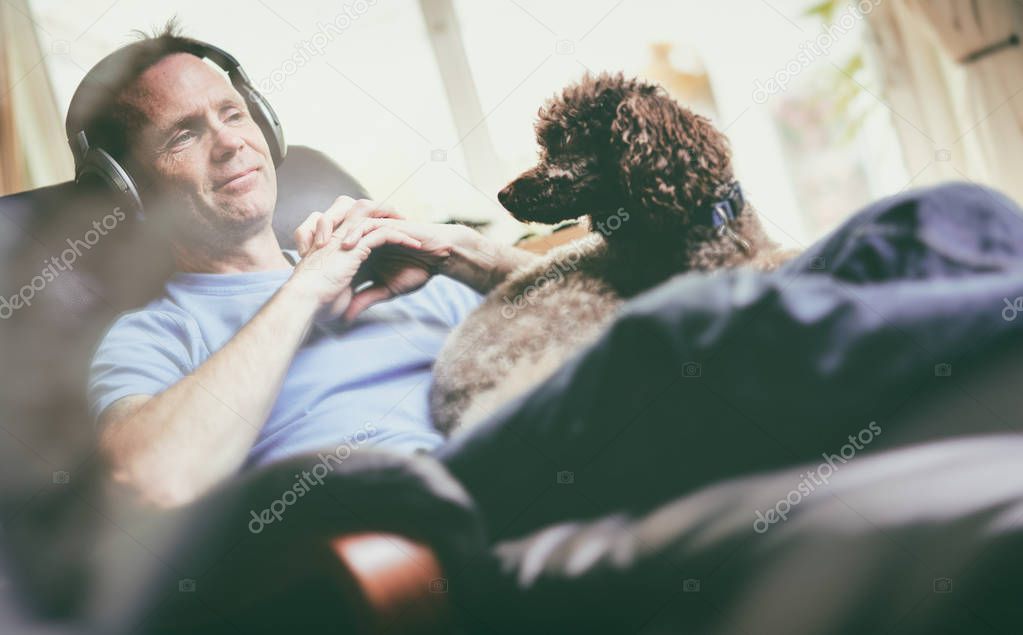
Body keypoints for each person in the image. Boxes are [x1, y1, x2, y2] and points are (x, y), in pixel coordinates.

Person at [83, 25, 536, 509]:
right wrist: (304, 289)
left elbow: (604, 313)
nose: (230, 142)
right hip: (428, 523)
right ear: (128, 189)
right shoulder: (153, 335)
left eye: (233, 113)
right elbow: (151, 479)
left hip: (541, 456)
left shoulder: (399, 265)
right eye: (184, 135)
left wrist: (474, 256)